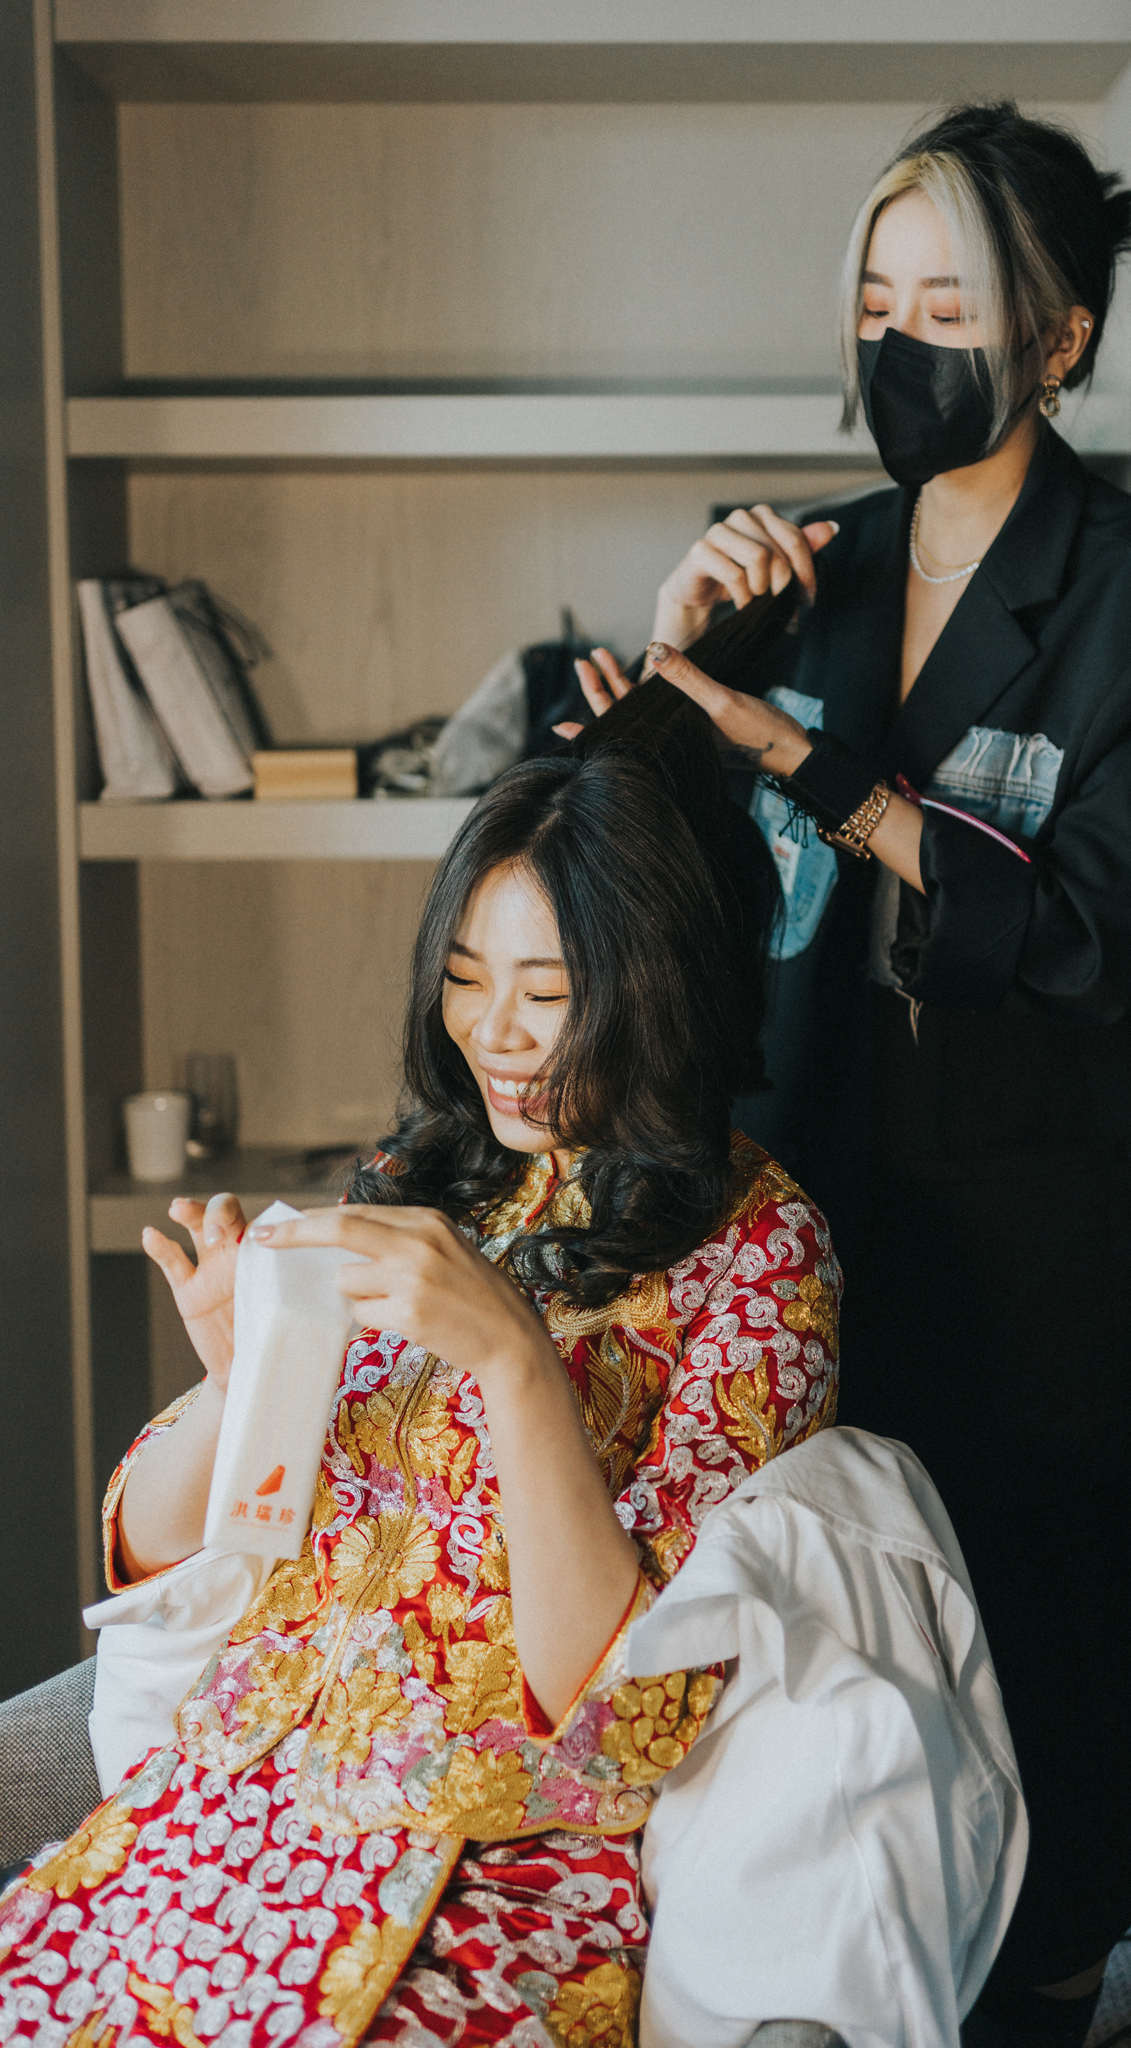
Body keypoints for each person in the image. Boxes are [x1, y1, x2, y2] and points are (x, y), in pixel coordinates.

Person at [572, 103, 1131, 2048]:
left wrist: (806, 763)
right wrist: (678, 654)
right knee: (800, 1611)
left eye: (945, 307)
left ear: (1056, 335)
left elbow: (1096, 930)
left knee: (1039, 1613)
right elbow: (650, 867)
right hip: (797, 1189)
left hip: (1052, 1222)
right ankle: (821, 1975)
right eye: (875, 303)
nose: (898, 345)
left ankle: (1047, 1977)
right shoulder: (808, 568)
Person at [0, 696, 841, 2048]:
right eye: (463, 977)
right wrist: (241, 1383)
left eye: (546, 994)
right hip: (231, 1808)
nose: (492, 1034)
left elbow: (625, 1704)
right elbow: (157, 1556)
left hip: (490, 1859)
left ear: (659, 985)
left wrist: (514, 1359)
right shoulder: (416, 1178)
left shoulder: (756, 1253)